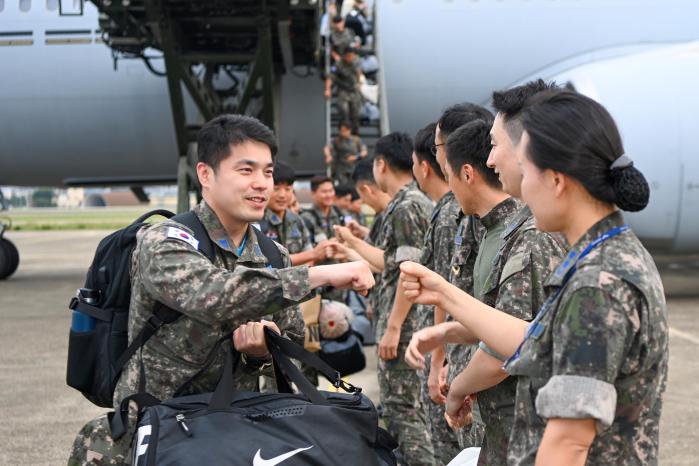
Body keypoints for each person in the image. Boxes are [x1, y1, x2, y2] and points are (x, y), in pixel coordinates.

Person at [68, 114, 375, 465]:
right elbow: (214, 294)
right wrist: (321, 275)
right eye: (246, 171)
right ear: (205, 175)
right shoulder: (165, 241)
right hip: (160, 427)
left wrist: (261, 349)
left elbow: (291, 336)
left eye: (268, 172)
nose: (261, 184)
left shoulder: (273, 254)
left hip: (230, 431)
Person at [400, 90, 666, 466]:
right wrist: (445, 298)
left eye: (525, 169)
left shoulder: (598, 284)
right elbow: (538, 340)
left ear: (556, 180)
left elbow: (568, 444)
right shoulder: (599, 256)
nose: (518, 184)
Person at [408, 83, 568, 466]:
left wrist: (458, 388)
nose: (491, 160)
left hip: (524, 432)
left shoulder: (532, 236)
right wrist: (446, 331)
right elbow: (510, 325)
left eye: (496, 146)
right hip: (504, 429)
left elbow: (509, 345)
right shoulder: (502, 229)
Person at [334, 132, 435, 465]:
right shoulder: (407, 203)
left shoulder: (407, 205)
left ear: (381, 165)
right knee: (399, 410)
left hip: (404, 326)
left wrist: (393, 327)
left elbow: (410, 269)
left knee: (405, 412)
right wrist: (354, 243)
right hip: (401, 322)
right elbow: (391, 261)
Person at [402, 122, 462, 464]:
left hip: (450, 350)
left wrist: (438, 361)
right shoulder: (452, 210)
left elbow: (444, 289)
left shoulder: (448, 213)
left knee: (449, 446)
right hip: (453, 345)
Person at [260, 161, 324, 266]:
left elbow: (309, 257)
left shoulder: (296, 220)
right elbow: (262, 263)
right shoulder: (255, 221)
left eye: (287, 189)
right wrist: (313, 254)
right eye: (276, 189)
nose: (282, 195)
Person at [325, 46, 364, 135]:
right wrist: (327, 90)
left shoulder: (357, 61)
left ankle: (355, 134)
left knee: (355, 114)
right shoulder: (338, 64)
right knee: (344, 111)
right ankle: (345, 133)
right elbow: (330, 77)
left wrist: (360, 82)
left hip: (354, 90)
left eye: (352, 56)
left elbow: (359, 72)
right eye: (348, 56)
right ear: (344, 56)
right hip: (343, 90)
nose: (350, 58)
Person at [324, 120, 368, 185]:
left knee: (355, 185)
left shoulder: (356, 140)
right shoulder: (336, 140)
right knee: (343, 185)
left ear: (349, 130)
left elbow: (364, 152)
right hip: (341, 168)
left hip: (354, 167)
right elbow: (327, 148)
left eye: (345, 130)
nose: (343, 133)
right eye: (341, 131)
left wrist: (356, 157)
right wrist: (328, 156)